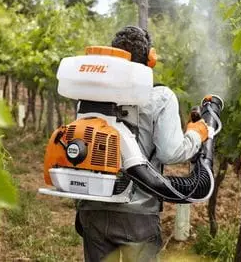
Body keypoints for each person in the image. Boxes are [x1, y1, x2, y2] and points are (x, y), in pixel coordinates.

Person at [75, 25, 208, 262]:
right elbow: (170, 152)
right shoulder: (160, 97)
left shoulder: (90, 95)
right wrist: (196, 134)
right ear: (151, 58)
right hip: (137, 214)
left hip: (92, 208)